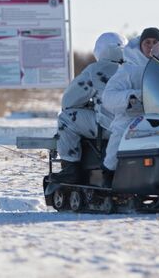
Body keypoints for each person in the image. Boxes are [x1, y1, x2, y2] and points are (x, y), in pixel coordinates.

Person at [49, 32, 127, 183]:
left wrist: (89, 105)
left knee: (66, 118)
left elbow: (69, 102)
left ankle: (70, 169)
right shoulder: (135, 68)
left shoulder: (97, 70)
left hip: (109, 128)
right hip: (134, 126)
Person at [102, 27, 159, 173]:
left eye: (155, 42)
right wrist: (134, 96)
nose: (151, 46)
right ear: (140, 45)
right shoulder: (129, 69)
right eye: (147, 42)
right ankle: (109, 173)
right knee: (121, 135)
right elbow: (108, 97)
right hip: (132, 118)